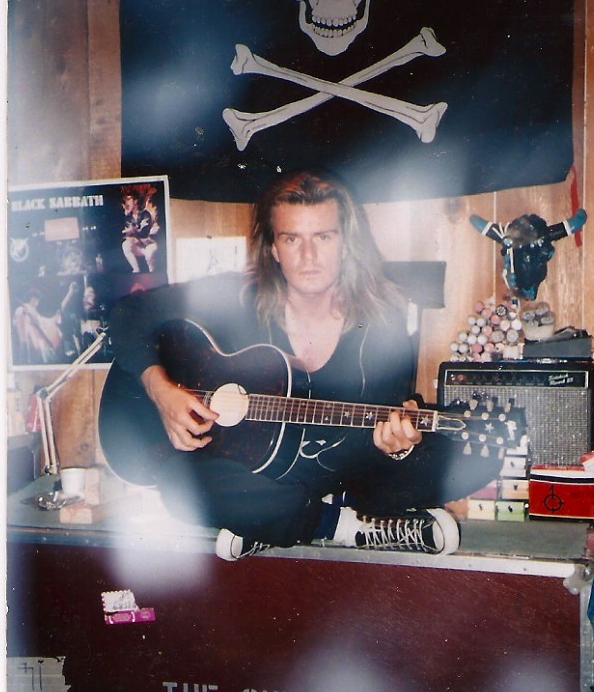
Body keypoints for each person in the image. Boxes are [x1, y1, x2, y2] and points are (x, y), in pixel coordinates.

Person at [108, 171, 506, 560]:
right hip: (245, 470)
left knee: (471, 459)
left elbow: (381, 429)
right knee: (181, 483)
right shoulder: (233, 298)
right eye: (292, 239)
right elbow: (128, 314)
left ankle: (275, 521)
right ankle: (349, 528)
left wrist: (398, 447)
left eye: (324, 237)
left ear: (346, 243)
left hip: (330, 471)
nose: (309, 256)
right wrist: (161, 391)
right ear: (273, 249)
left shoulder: (382, 324)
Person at [121, 185, 159, 273]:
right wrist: (131, 236)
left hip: (149, 245)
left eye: (129, 199)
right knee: (125, 245)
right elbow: (127, 234)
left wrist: (134, 232)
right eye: (125, 200)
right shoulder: (128, 218)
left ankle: (152, 271)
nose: (126, 202)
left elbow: (144, 233)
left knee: (149, 255)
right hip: (139, 248)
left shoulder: (145, 214)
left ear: (135, 201)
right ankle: (136, 270)